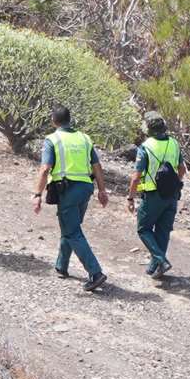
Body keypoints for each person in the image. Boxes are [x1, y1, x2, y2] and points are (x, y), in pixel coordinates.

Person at [32, 105, 109, 292]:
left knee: (72, 231)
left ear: (53, 121)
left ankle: (95, 273)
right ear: (69, 119)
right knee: (71, 226)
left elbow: (45, 169)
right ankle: (61, 265)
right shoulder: (84, 138)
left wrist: (37, 194)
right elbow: (97, 166)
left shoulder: (53, 139)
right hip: (85, 188)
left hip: (68, 190)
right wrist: (102, 190)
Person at [126, 110, 184, 278]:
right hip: (171, 195)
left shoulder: (146, 146)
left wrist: (130, 197)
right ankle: (156, 267)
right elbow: (182, 169)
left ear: (148, 129)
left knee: (143, 229)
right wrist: (175, 183)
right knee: (163, 230)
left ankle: (161, 260)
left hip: (153, 195)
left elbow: (136, 177)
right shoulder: (174, 143)